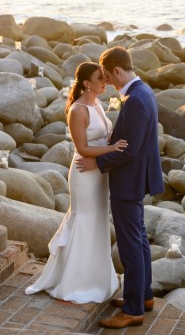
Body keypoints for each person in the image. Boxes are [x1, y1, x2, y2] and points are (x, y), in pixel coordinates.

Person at [76, 46, 164, 329]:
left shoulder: (136, 100)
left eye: (108, 78)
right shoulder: (144, 92)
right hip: (137, 178)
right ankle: (144, 295)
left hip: (129, 180)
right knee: (139, 239)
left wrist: (98, 165)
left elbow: (131, 150)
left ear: (116, 70)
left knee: (130, 247)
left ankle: (134, 310)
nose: (109, 84)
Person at [25, 62, 127, 303]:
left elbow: (104, 135)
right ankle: (75, 282)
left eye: (105, 77)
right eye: (99, 78)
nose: (105, 82)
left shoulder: (98, 105)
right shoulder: (78, 110)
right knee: (83, 220)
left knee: (98, 222)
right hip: (84, 172)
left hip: (100, 173)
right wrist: (112, 149)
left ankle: (98, 279)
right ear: (86, 83)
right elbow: (82, 148)